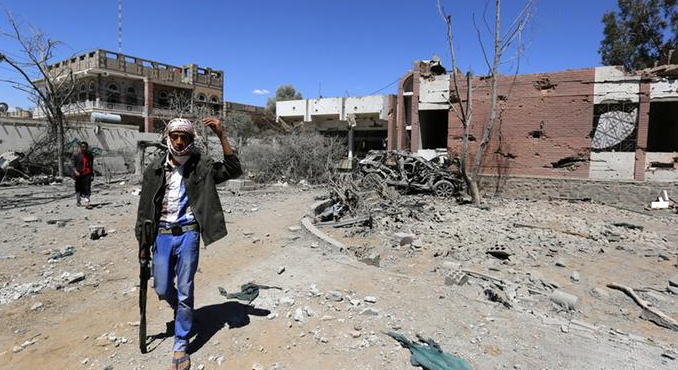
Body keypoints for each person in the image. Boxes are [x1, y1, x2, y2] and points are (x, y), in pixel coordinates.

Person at [135, 117, 241, 370]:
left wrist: (221, 135)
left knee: (185, 288)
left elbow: (233, 169)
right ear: (168, 138)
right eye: (175, 137)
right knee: (161, 287)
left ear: (192, 139)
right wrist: (142, 240)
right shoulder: (155, 168)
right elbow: (144, 208)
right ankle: (184, 310)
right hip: (161, 233)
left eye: (185, 137)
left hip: (189, 233)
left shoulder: (201, 166)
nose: (180, 141)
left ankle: (180, 342)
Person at [72, 141, 94, 209]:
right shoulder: (76, 155)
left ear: (87, 148)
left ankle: (87, 202)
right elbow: (72, 165)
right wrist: (75, 171)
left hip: (87, 173)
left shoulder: (90, 155)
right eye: (82, 147)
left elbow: (91, 165)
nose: (84, 148)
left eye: (85, 147)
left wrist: (92, 174)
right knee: (78, 188)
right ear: (80, 148)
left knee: (87, 188)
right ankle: (78, 200)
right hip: (78, 174)